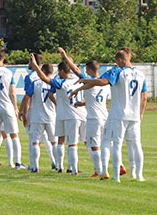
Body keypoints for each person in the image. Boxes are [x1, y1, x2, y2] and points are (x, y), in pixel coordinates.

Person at [73, 50, 147, 182]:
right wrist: (141, 113)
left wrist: (84, 80)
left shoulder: (118, 71)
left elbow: (102, 82)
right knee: (136, 145)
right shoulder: (141, 74)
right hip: (134, 115)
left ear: (120, 60)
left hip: (119, 115)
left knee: (116, 144)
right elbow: (144, 95)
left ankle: (115, 176)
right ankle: (138, 175)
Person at [30, 53, 86, 176]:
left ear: (61, 71)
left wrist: (35, 66)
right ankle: (66, 168)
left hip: (67, 115)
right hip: (76, 114)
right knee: (66, 142)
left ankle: (71, 169)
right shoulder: (81, 80)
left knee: (66, 142)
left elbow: (44, 79)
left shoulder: (61, 83)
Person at [59, 48, 108, 177]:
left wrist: (65, 56)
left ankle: (100, 171)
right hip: (105, 117)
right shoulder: (106, 82)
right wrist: (83, 103)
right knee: (107, 145)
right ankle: (118, 166)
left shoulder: (88, 80)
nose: (84, 72)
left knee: (94, 146)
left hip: (93, 118)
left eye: (86, 70)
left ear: (90, 71)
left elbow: (76, 70)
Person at [19, 53, 56, 171]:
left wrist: (24, 113)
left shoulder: (31, 78)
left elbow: (27, 97)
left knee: (34, 140)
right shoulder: (54, 81)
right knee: (52, 141)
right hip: (50, 115)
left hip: (35, 113)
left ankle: (34, 165)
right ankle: (56, 163)